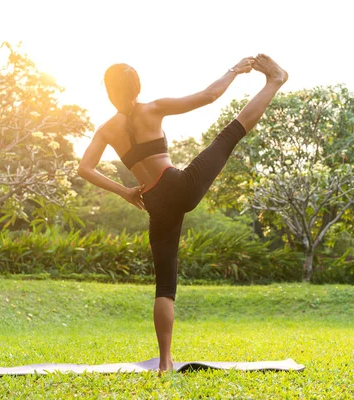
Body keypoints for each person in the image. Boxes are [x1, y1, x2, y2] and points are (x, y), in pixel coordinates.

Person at [77, 54, 288, 372]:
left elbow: (84, 168)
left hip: (154, 203)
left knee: (165, 287)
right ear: (138, 86)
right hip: (180, 186)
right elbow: (208, 96)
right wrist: (234, 70)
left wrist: (125, 192)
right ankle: (275, 81)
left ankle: (165, 362)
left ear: (109, 93)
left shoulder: (106, 130)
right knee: (229, 135)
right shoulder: (153, 108)